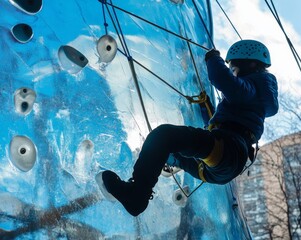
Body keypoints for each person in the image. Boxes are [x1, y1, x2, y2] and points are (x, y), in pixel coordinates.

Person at [100, 39, 279, 216]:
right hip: (218, 168)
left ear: (251, 65)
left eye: (234, 69)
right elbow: (227, 121)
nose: (232, 73)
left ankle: (137, 194)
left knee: (163, 136)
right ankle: (157, 171)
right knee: (171, 152)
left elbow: (223, 80)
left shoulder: (253, 87)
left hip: (228, 151)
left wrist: (213, 58)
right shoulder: (254, 102)